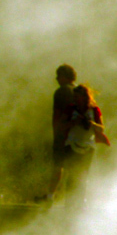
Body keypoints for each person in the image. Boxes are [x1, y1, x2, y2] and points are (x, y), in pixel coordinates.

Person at [61, 84, 110, 208]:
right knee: (72, 175)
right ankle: (69, 203)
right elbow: (62, 126)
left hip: (88, 146)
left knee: (83, 175)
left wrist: (91, 124)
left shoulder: (94, 110)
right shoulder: (70, 109)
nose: (76, 99)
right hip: (71, 144)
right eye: (75, 97)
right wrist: (74, 122)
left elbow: (101, 128)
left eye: (79, 97)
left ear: (85, 97)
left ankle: (79, 202)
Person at [35, 64, 77, 204]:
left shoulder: (60, 92)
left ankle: (50, 196)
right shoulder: (80, 91)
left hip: (63, 132)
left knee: (58, 166)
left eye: (58, 76)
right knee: (74, 168)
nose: (57, 79)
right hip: (77, 136)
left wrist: (56, 133)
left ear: (64, 77)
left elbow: (56, 115)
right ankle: (72, 199)